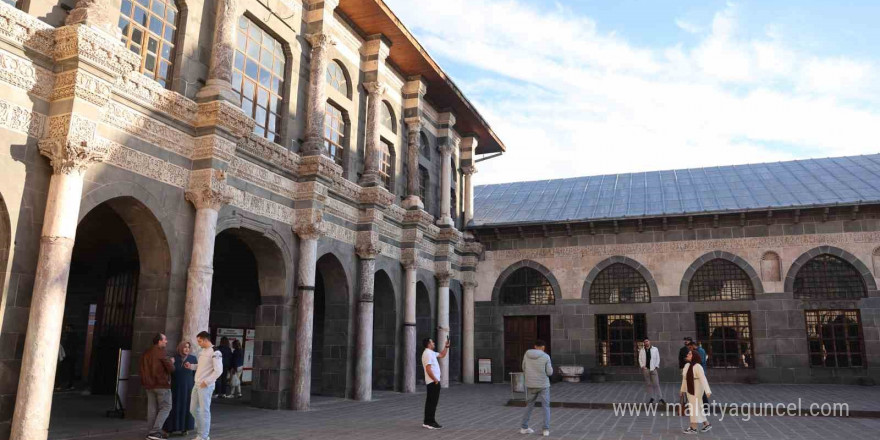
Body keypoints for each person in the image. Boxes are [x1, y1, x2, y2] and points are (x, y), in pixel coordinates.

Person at [189, 331, 223, 440]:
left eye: (199, 341)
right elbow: (201, 366)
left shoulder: (215, 352)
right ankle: (201, 433)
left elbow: (218, 371)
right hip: (197, 384)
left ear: (205, 340)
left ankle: (203, 436)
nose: (198, 343)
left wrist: (207, 382)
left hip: (205, 386)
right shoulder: (203, 350)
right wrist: (191, 366)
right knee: (193, 409)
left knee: (204, 411)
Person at [139, 333, 174, 440]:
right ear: (159, 341)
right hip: (161, 384)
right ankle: (155, 431)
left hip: (149, 385)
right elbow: (171, 369)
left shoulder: (146, 353)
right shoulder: (161, 352)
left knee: (152, 409)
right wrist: (172, 362)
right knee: (166, 407)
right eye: (165, 339)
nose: (166, 341)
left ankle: (151, 432)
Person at [519, 340, 553, 437]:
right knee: (546, 406)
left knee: (529, 405)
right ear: (543, 347)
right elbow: (549, 372)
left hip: (530, 384)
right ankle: (545, 430)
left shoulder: (527, 354)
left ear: (534, 346)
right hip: (543, 385)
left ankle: (523, 427)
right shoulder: (546, 357)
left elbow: (523, 367)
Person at [164, 341, 197, 435]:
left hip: (188, 387)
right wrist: (171, 363)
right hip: (176, 387)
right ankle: (170, 429)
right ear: (180, 348)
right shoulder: (174, 358)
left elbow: (195, 373)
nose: (187, 349)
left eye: (188, 347)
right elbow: (168, 372)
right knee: (174, 406)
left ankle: (185, 428)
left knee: (187, 406)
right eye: (185, 347)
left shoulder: (193, 358)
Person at [680, 350, 712, 434]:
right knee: (698, 406)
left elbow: (703, 379)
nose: (687, 354)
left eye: (690, 354)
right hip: (689, 387)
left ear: (694, 356)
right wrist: (682, 390)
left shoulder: (698, 366)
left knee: (693, 407)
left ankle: (693, 428)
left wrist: (707, 391)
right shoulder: (687, 365)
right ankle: (706, 424)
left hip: (697, 388)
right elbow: (684, 379)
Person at [421, 337, 449, 430]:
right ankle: (430, 422)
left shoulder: (431, 353)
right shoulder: (427, 354)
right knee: (432, 403)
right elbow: (428, 368)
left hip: (433, 382)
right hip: (433, 382)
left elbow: (442, 355)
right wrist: (435, 380)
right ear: (429, 344)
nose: (434, 343)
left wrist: (446, 346)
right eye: (432, 342)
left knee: (431, 402)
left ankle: (428, 421)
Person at [639, 339, 663, 404]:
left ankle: (660, 398)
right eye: (644, 342)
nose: (646, 343)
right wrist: (642, 366)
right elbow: (640, 359)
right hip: (646, 369)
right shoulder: (642, 350)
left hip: (653, 369)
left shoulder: (655, 349)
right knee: (649, 384)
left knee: (656, 384)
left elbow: (658, 358)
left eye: (647, 341)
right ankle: (652, 398)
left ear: (649, 341)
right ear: (644, 343)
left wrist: (656, 366)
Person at [690, 341, 710, 407]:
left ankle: (706, 406)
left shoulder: (700, 351)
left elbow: (700, 361)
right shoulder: (699, 350)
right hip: (700, 370)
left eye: (691, 347)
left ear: (693, 345)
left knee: (702, 391)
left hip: (701, 371)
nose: (691, 349)